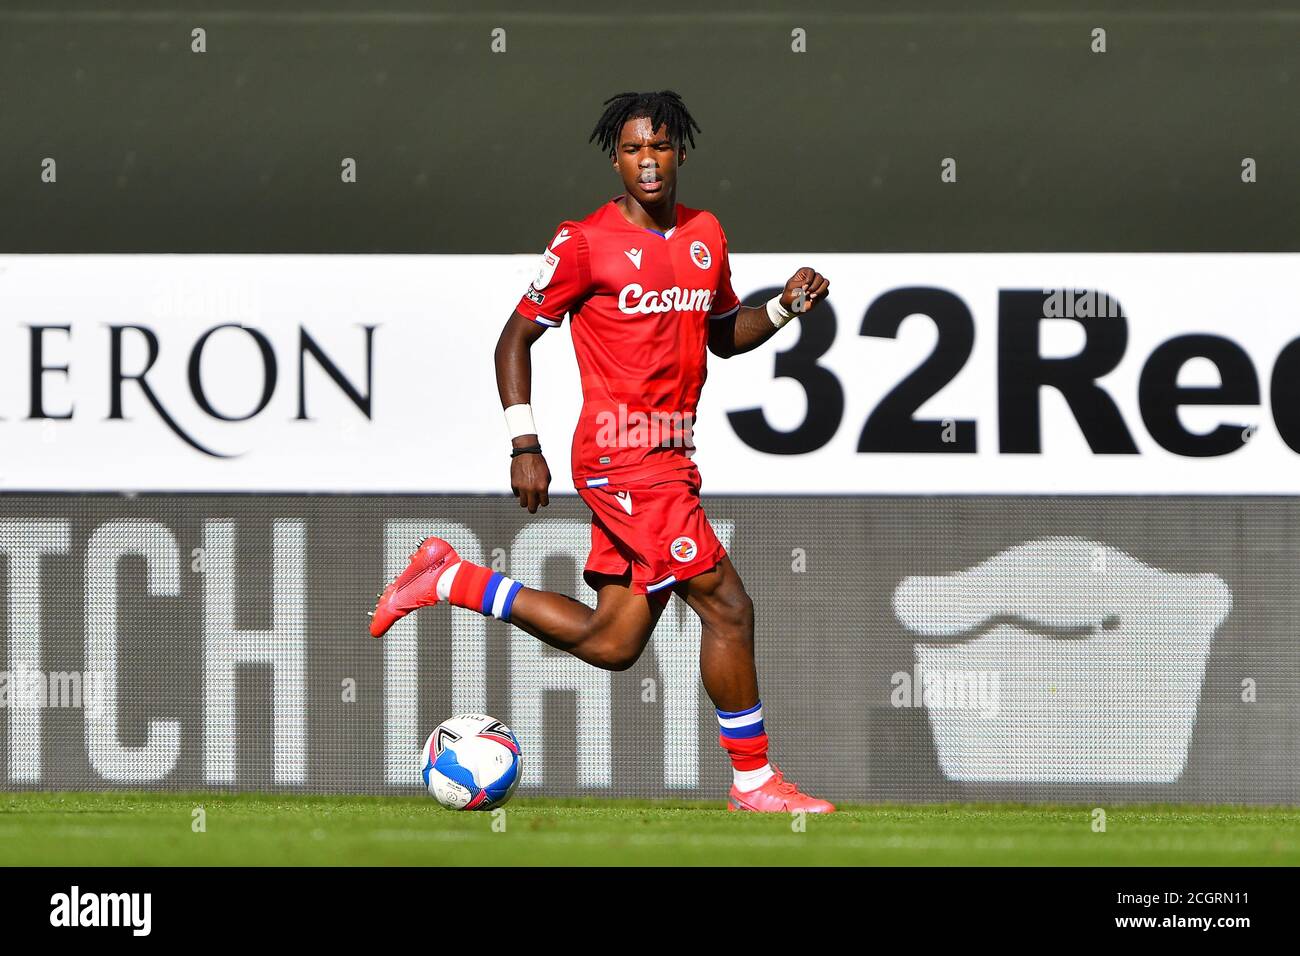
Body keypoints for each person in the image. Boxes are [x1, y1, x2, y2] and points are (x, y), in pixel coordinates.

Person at [372, 90, 833, 812]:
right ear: (614, 158)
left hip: (672, 457)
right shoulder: (583, 242)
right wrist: (524, 442)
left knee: (613, 643)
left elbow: (721, 333)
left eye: (659, 146)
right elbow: (514, 337)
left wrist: (781, 310)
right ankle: (754, 782)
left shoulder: (705, 232)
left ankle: (452, 579)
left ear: (680, 150)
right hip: (622, 459)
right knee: (729, 608)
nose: (646, 162)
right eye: (631, 149)